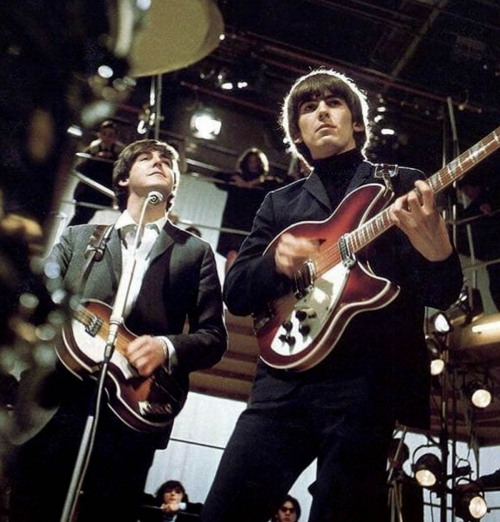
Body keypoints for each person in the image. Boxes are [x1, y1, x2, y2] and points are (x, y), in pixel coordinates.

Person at [201, 69, 463, 522]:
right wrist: (273, 262)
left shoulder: (399, 184)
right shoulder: (279, 204)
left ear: (356, 122)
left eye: (334, 103)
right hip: (282, 382)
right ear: (298, 135)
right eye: (308, 108)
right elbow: (238, 294)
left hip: (367, 382)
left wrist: (437, 249)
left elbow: (441, 293)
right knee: (225, 511)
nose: (321, 111)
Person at [9, 139, 227, 522]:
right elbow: (36, 299)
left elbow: (213, 337)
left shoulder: (195, 252)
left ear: (174, 184)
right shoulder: (78, 238)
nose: (159, 162)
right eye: (147, 157)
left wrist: (166, 347)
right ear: (123, 177)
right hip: (57, 396)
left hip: (134, 407)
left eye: (167, 161)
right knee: (34, 506)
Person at [214, 147, 282, 272]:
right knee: (232, 255)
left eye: (255, 161)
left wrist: (252, 184)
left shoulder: (265, 183)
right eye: (250, 161)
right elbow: (217, 178)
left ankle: (241, 288)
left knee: (248, 259)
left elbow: (278, 184)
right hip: (233, 222)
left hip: (252, 224)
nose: (253, 165)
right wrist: (242, 182)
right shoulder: (237, 177)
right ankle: (228, 287)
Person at [69, 119, 125, 226]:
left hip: (102, 190)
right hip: (88, 188)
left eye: (111, 135)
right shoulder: (93, 148)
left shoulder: (120, 150)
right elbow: (80, 168)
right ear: (99, 135)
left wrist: (112, 159)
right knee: (81, 215)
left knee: (85, 217)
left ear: (115, 137)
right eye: (104, 134)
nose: (107, 138)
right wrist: (94, 158)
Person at [456, 176, 500, 311]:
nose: (466, 194)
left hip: (495, 251)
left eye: (467, 189)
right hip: (491, 255)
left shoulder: (491, 196)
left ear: (476, 187)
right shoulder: (475, 206)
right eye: (463, 191)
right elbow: (463, 217)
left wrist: (487, 205)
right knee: (495, 286)